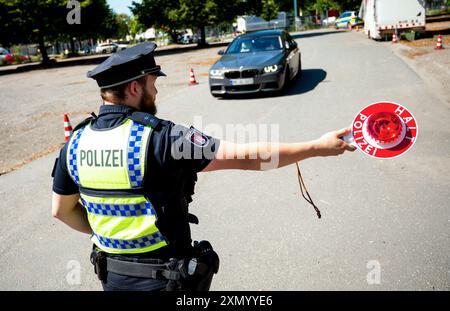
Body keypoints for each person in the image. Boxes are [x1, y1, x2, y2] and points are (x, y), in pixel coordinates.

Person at [51, 42, 355, 291]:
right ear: (134, 87)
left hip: (112, 278)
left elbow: (61, 211)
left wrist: (114, 236)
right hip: (166, 281)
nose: (156, 92)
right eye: (152, 84)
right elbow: (249, 157)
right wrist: (318, 147)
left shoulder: (74, 144)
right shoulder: (162, 137)